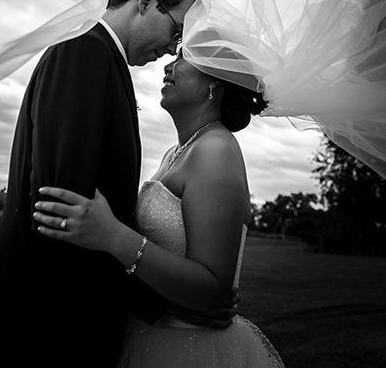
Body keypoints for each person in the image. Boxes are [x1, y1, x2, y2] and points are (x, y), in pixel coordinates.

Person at [0, 0, 199, 367]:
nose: (174, 48)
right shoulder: (84, 53)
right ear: (147, 1)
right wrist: (167, 301)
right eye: (176, 29)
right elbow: (63, 215)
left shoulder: (105, 61)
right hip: (35, 332)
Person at [33, 49, 285, 367]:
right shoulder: (176, 152)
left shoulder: (215, 151)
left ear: (215, 83)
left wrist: (113, 235)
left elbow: (212, 290)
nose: (168, 65)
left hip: (190, 349)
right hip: (148, 332)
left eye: (184, 57)